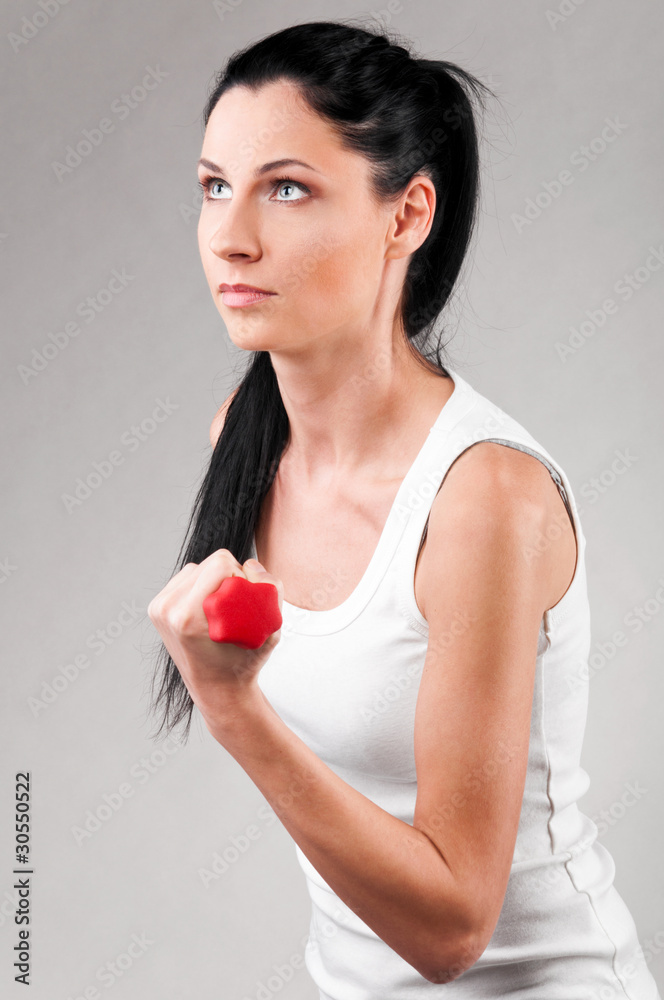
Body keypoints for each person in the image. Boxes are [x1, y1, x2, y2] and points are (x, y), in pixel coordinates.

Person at [146, 19, 662, 998]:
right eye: (214, 185)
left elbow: (452, 928)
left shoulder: (483, 499)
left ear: (406, 215)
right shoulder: (243, 441)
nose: (230, 235)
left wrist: (233, 710)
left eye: (286, 189)